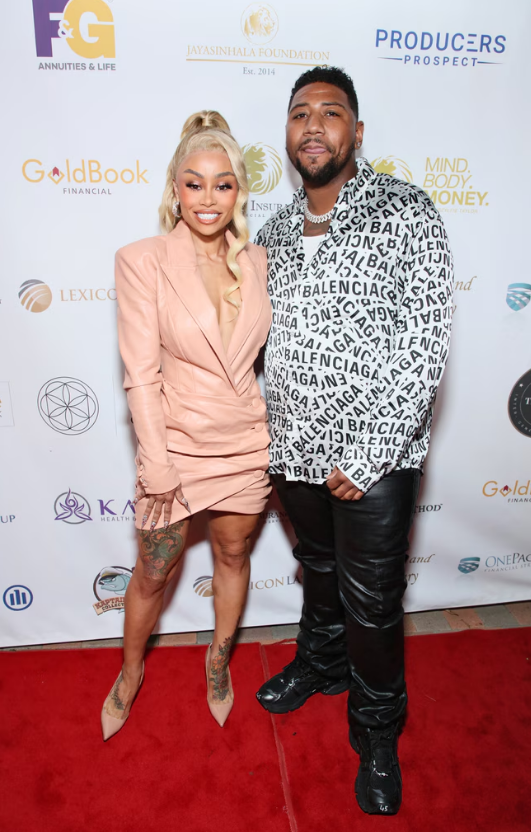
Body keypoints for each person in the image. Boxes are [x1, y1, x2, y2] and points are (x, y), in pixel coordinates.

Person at [255, 67, 453, 815]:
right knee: (318, 568)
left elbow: (423, 346)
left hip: (374, 458)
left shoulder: (406, 211)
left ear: (357, 132)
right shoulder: (273, 232)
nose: (313, 126)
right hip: (292, 449)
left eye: (330, 112)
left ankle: (376, 732)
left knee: (371, 601)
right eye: (299, 113)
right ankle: (321, 664)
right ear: (287, 134)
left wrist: (367, 456)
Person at [101, 111, 271, 740]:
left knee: (233, 554)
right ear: (175, 188)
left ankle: (218, 662)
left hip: (244, 445)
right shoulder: (142, 260)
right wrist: (157, 464)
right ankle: (130, 671)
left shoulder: (259, 261)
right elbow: (141, 375)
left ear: (239, 191)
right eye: (194, 183)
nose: (207, 198)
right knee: (153, 572)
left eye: (223, 184)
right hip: (172, 451)